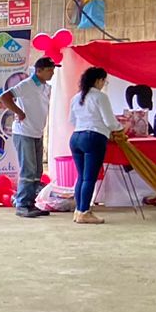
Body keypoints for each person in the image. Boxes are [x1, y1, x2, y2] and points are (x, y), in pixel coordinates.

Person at [0, 56, 55, 217]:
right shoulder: (27, 84)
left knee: (37, 171)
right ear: (39, 71)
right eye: (49, 70)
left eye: (53, 70)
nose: (52, 73)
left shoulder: (46, 87)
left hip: (37, 132)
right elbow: (5, 97)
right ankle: (22, 204)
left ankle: (30, 203)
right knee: (28, 170)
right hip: (24, 132)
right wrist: (19, 112)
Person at [67, 66, 122, 225]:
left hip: (76, 137)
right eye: (104, 81)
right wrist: (120, 128)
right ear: (98, 80)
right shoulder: (100, 97)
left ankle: (79, 210)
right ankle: (85, 212)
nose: (104, 84)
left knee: (81, 177)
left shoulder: (76, 97)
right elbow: (110, 121)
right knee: (89, 178)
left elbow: (72, 120)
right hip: (93, 137)